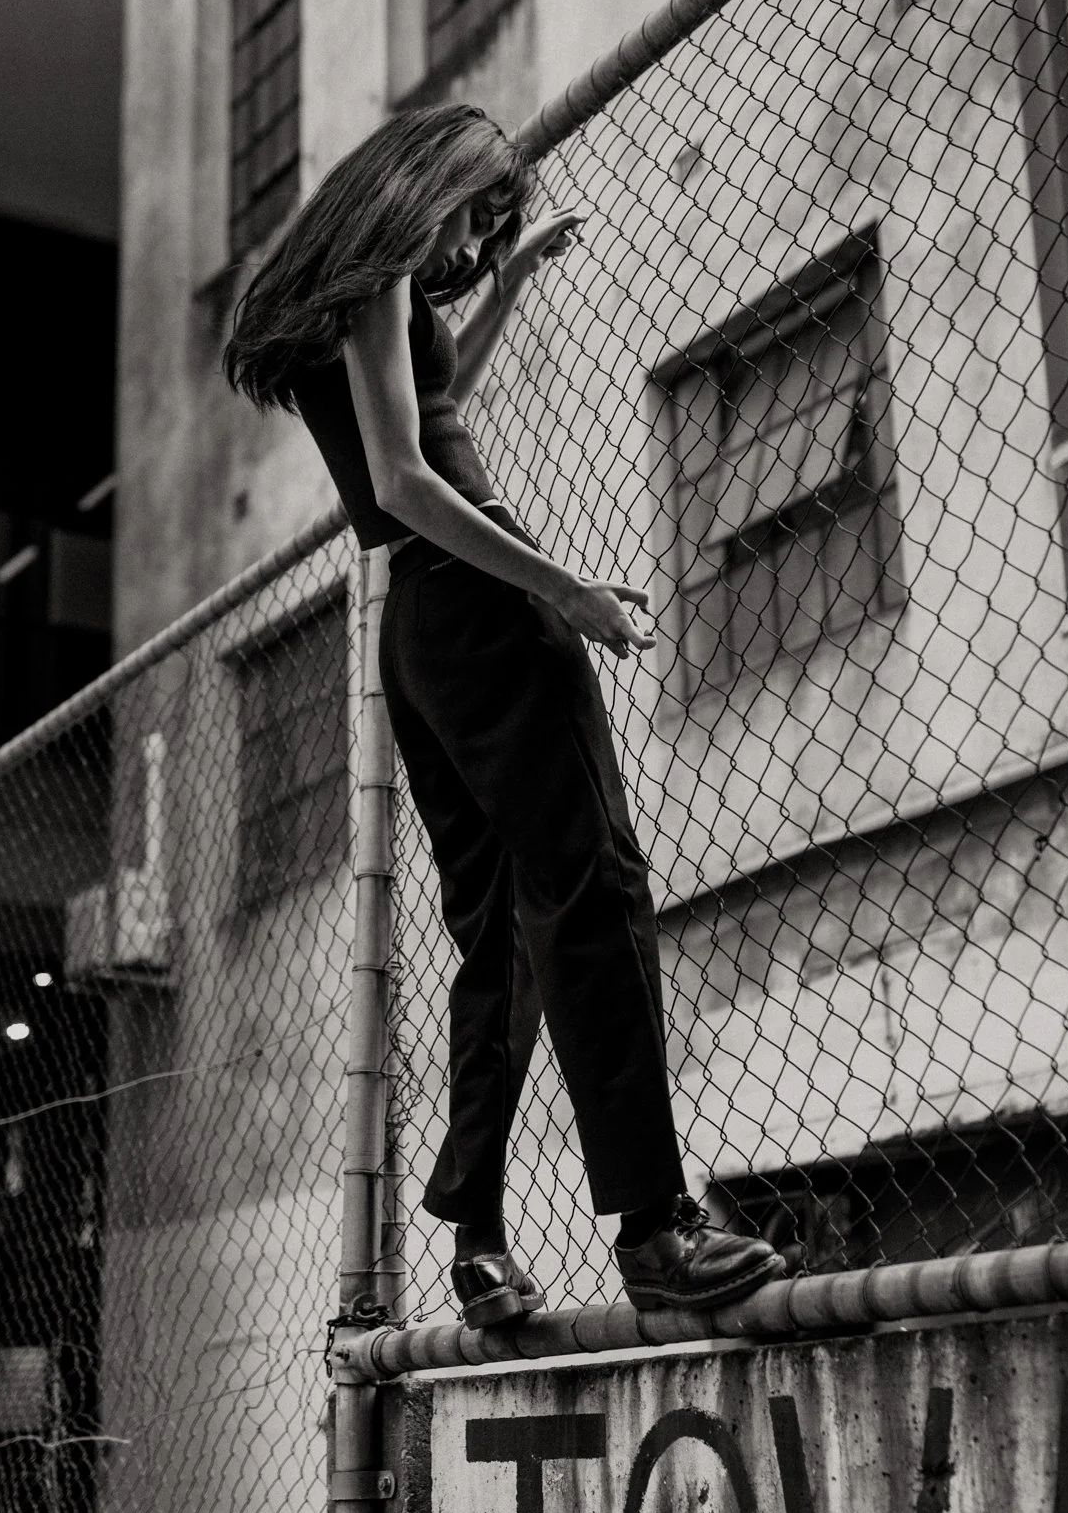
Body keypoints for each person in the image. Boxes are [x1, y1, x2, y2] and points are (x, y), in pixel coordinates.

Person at [224, 103, 784, 1326]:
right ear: (426, 180)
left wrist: (511, 286)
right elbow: (407, 479)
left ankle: (478, 1240)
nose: (483, 235)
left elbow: (431, 405)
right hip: (477, 601)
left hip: (421, 637)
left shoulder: (369, 299)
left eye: (498, 224)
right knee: (593, 881)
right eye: (481, 209)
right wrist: (563, 586)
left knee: (498, 929)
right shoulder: (377, 285)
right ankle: (655, 1226)